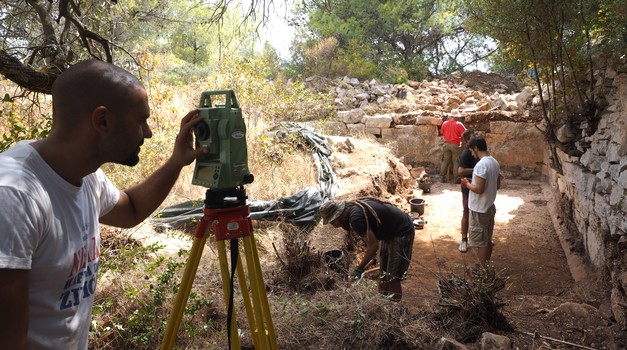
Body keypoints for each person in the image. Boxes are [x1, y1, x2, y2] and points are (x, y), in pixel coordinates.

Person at [0, 59, 208, 349]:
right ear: (103, 121)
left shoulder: (87, 177)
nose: (147, 133)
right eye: (140, 120)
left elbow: (132, 209)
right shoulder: (14, 196)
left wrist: (177, 162)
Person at [319, 197, 415, 301]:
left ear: (338, 215)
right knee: (384, 277)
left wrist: (359, 268)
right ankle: (381, 305)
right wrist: (372, 255)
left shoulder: (355, 218)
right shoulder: (352, 211)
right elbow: (371, 240)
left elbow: (374, 245)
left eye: (333, 222)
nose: (334, 226)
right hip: (389, 232)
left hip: (402, 231)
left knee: (392, 279)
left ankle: (395, 310)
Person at [460, 136, 502, 269]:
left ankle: (482, 272)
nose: (472, 154)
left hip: (479, 209)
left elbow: (478, 189)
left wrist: (467, 184)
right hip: (489, 206)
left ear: (476, 148)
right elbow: (497, 185)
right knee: (487, 239)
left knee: (481, 242)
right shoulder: (494, 162)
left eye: (472, 151)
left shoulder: (481, 165)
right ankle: (484, 265)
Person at [457, 129, 477, 253]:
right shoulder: (466, 154)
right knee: (467, 211)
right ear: (468, 139)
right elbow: (460, 172)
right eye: (474, 137)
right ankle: (464, 240)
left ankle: (480, 239)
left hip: (477, 185)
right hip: (468, 187)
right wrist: (476, 169)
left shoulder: (479, 152)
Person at [439, 111, 466, 184]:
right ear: (455, 117)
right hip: (456, 145)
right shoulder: (459, 124)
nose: (458, 118)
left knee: (445, 161)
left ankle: (442, 178)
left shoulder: (444, 123)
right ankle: (456, 178)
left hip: (446, 144)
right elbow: (465, 133)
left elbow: (442, 132)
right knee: (456, 162)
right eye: (457, 117)